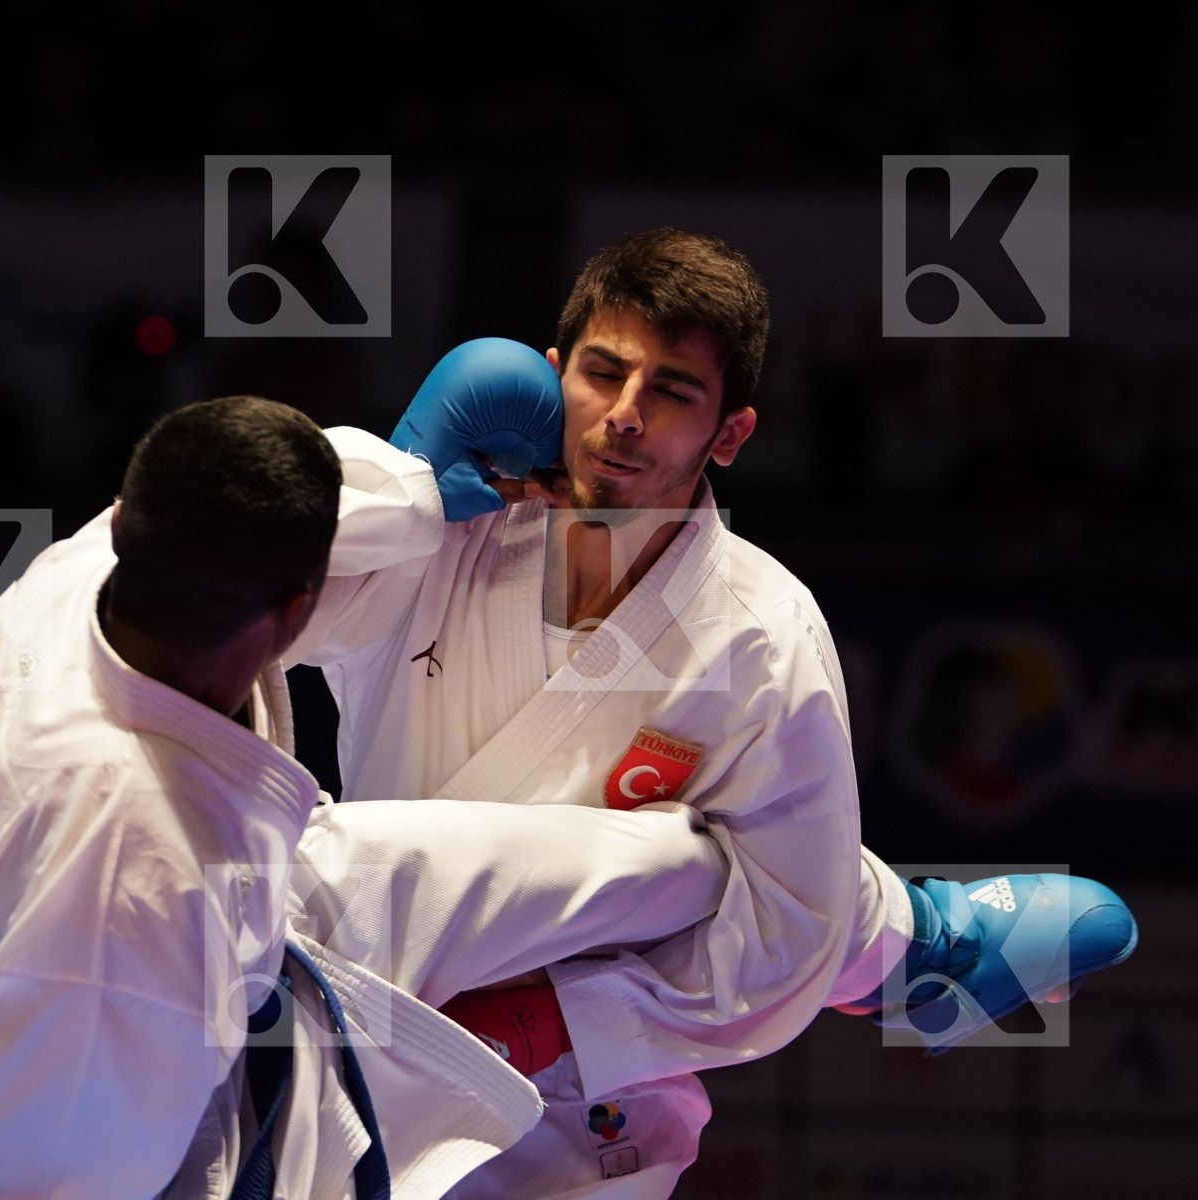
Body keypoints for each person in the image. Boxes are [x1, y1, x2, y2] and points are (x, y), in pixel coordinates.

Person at [282, 228, 1138, 1198]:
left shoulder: (760, 639)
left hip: (592, 1114)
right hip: (363, 1047)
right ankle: (916, 947)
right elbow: (213, 587)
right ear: (555, 373)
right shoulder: (442, 532)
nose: (623, 418)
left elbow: (784, 936)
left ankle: (917, 950)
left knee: (711, 874)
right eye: (601, 375)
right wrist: (392, 484)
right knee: (679, 864)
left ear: (731, 433)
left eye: (672, 393)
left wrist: (560, 1018)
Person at [0, 394, 746, 1199]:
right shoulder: (135, 886)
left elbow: (248, 504)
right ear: (298, 609)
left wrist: (409, 484)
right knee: (597, 882)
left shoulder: (65, 582)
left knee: (645, 862)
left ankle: (849, 925)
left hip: (178, 940)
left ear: (126, 518)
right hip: (156, 1110)